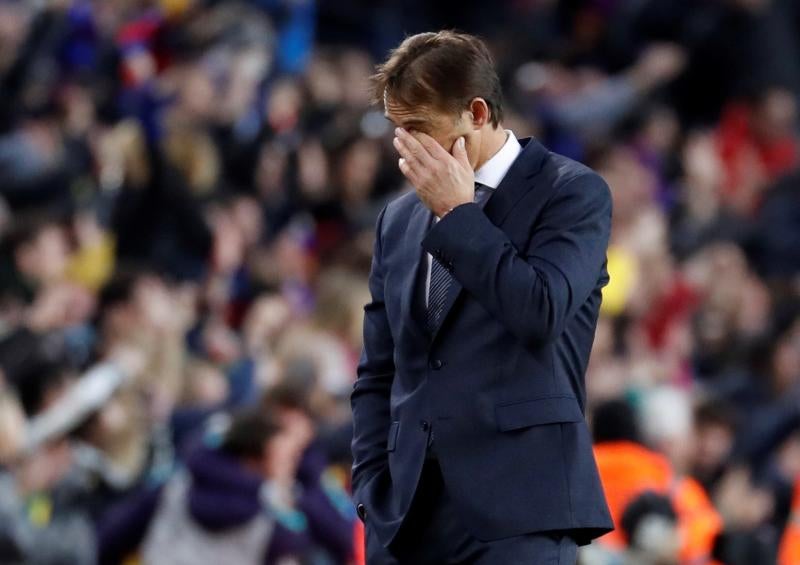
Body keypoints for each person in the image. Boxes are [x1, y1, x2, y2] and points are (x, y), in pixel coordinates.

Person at [350, 30, 613, 564]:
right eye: (398, 131)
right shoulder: (397, 220)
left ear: (476, 113)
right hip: (406, 519)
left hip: (521, 513)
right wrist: (371, 485)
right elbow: (379, 370)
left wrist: (459, 214)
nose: (406, 150)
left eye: (419, 129)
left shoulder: (571, 192)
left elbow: (540, 310)